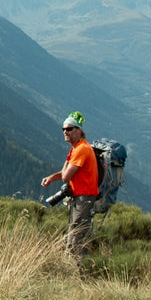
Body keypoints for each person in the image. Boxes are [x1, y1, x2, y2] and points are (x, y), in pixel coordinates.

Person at [41, 111, 98, 262]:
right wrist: (52, 178)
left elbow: (66, 176)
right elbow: (68, 172)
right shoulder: (76, 148)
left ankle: (75, 271)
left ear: (79, 130)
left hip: (84, 198)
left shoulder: (81, 149)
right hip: (80, 197)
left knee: (75, 237)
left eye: (69, 129)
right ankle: (76, 268)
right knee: (75, 234)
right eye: (64, 129)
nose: (65, 132)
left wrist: (65, 166)